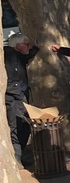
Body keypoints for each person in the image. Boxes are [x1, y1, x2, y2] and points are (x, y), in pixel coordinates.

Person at [4, 33, 39, 164]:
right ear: (18, 46)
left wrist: (36, 47)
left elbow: (29, 55)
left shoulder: (19, 55)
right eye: (26, 44)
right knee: (17, 126)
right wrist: (19, 94)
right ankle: (17, 158)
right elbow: (11, 80)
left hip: (20, 97)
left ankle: (20, 155)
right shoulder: (9, 55)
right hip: (14, 98)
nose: (28, 47)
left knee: (25, 126)